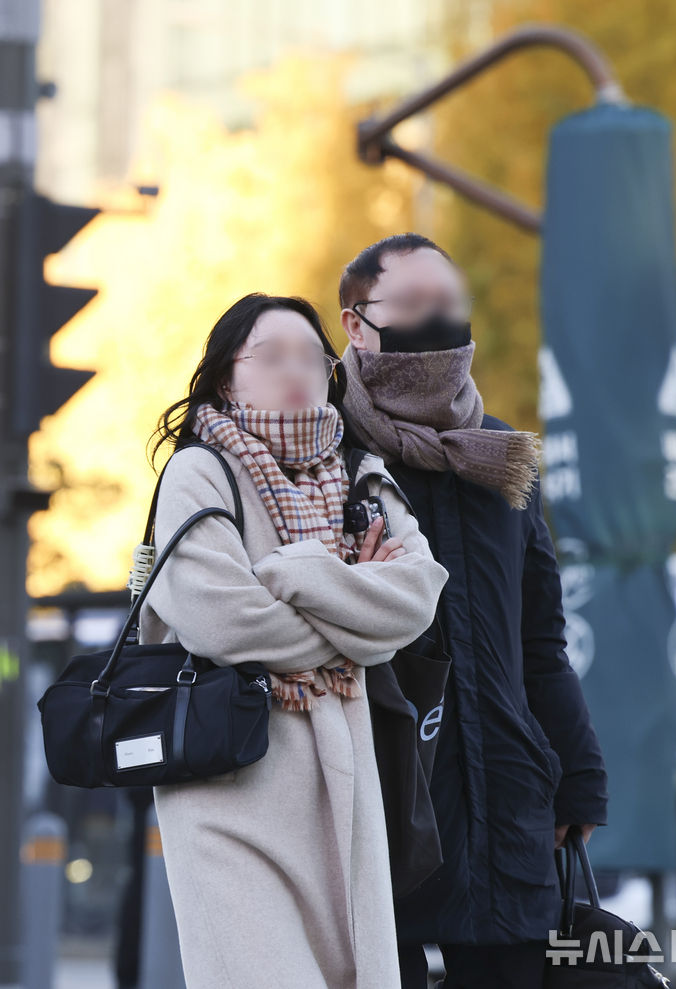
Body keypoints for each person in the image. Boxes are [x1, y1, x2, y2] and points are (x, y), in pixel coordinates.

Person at [138, 292, 449, 989]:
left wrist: (291, 572)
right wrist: (350, 603)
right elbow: (220, 619)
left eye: (311, 356)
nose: (296, 371)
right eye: (270, 356)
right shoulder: (198, 471)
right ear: (227, 376)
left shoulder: (362, 476)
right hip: (231, 787)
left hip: (349, 788)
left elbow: (417, 597)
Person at [338, 234, 609, 989]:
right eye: (415, 305)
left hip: (502, 800)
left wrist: (579, 775)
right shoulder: (324, 450)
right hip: (378, 798)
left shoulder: (502, 456)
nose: (438, 320)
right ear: (357, 323)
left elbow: (541, 642)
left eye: (450, 305)